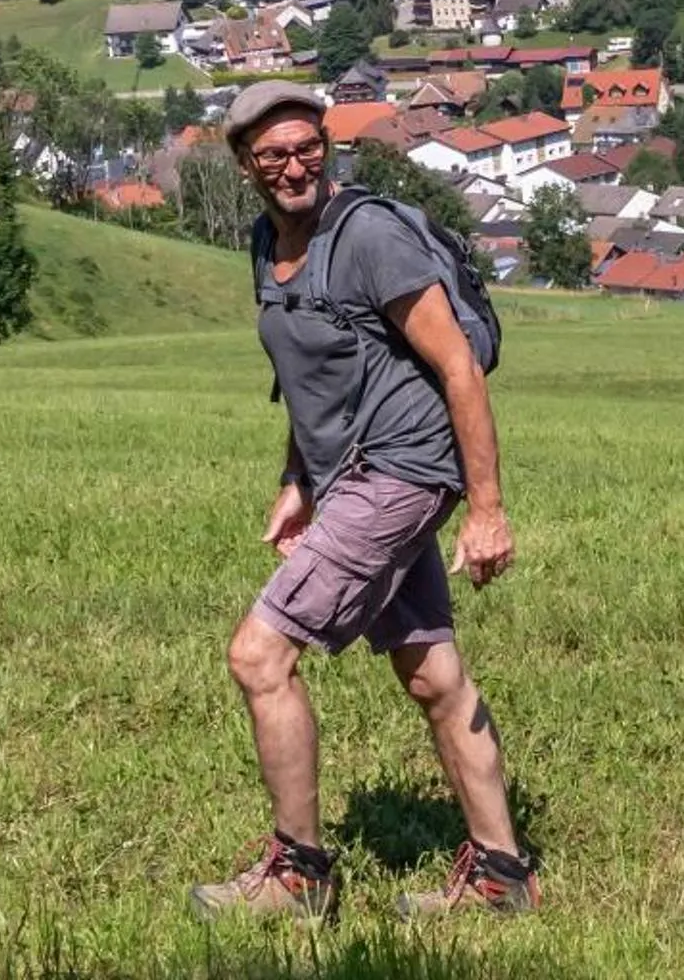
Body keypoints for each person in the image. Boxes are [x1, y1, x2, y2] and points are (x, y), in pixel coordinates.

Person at [191, 82, 538, 921]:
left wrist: (487, 508)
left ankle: (300, 877)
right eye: (273, 154)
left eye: (308, 145)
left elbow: (458, 367)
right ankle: (502, 879)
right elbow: (306, 373)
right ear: (245, 165)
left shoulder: (371, 236)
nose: (295, 165)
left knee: (258, 656)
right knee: (432, 674)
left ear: (327, 145)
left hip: (401, 473)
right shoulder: (265, 242)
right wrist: (296, 480)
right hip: (350, 476)